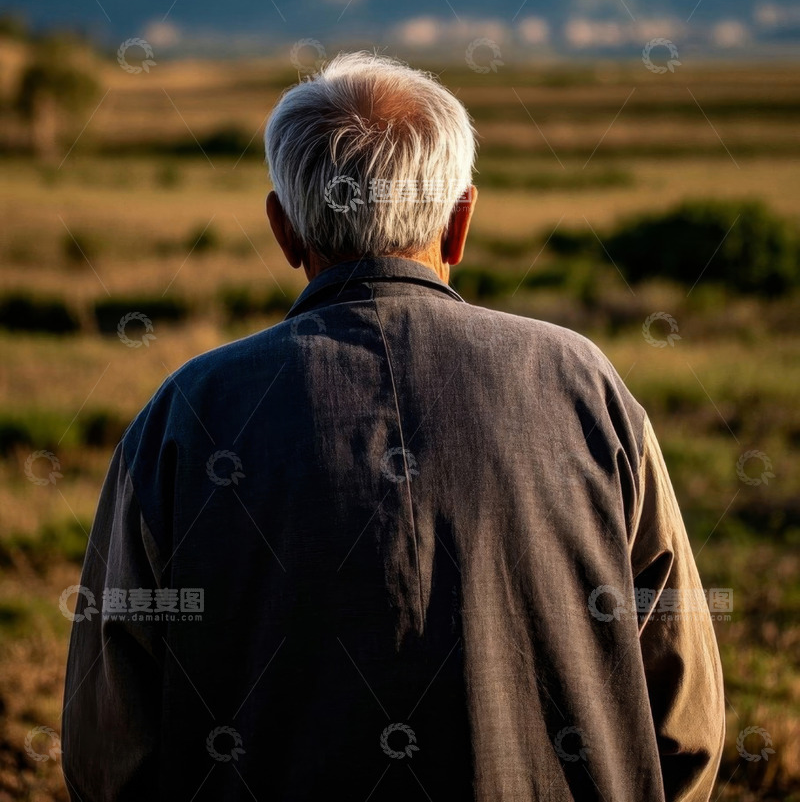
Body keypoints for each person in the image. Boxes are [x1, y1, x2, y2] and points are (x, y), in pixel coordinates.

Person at [62, 51, 725, 801]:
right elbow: (686, 723)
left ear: (283, 231)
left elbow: (108, 748)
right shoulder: (588, 389)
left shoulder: (184, 416)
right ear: (461, 220)